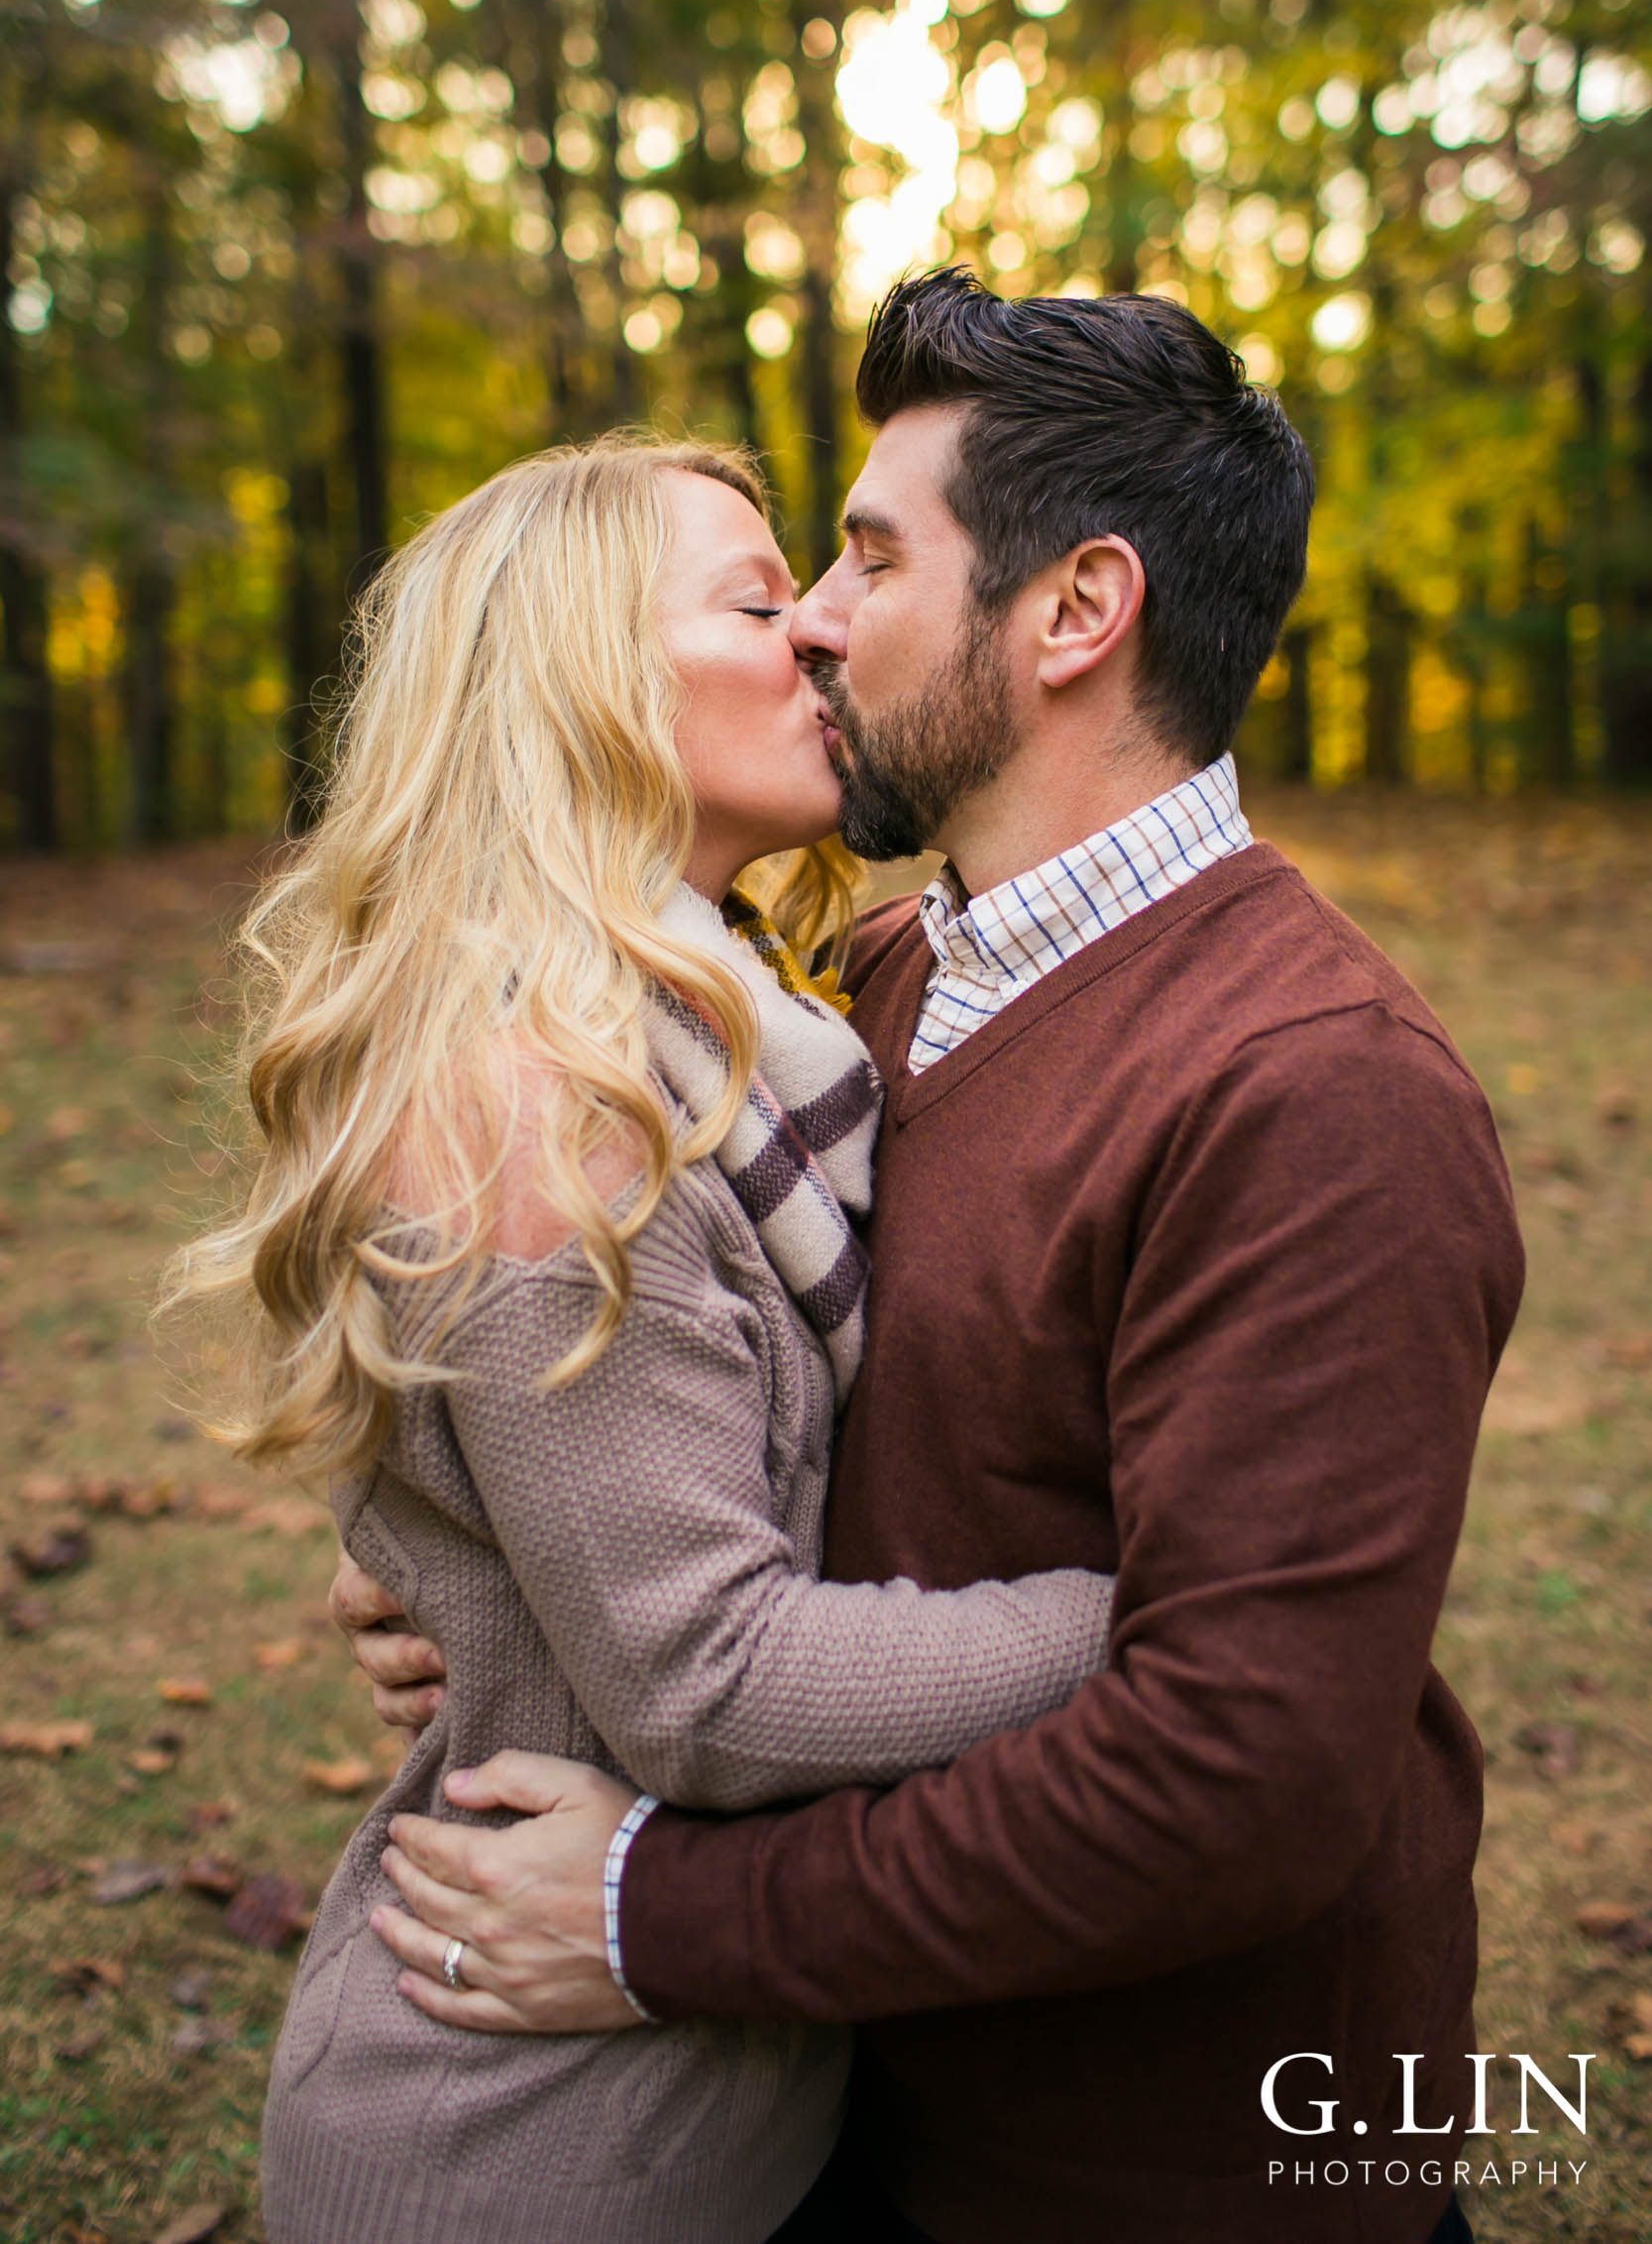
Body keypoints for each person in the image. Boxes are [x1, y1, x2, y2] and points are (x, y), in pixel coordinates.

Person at [340, 274, 1524, 2244]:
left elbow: (1243, 1769)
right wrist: (484, 1558)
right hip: (856, 2096)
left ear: (1073, 611)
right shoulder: (856, 995)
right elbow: (702, 1397)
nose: (812, 612)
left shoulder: (1323, 1096)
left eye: (871, 557)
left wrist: (662, 1912)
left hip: (1161, 2156)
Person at [173, 433, 1119, 2244]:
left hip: (718, 2109)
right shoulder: (543, 1116)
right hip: (524, 2149)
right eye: (762, 602)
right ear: (584, 682)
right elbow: (711, 1687)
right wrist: (1152, 1619)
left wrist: (477, 1583)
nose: (825, 635)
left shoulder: (730, 1030)